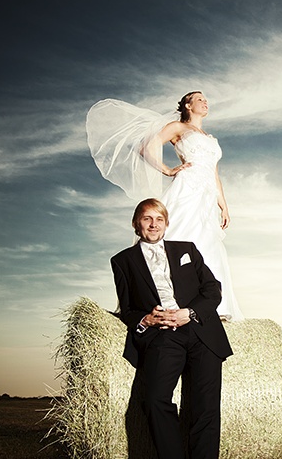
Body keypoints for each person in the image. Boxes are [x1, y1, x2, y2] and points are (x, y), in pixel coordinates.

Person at [111, 198, 232, 459]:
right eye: (146, 219)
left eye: (159, 219)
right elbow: (128, 308)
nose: (153, 224)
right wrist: (146, 320)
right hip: (163, 337)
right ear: (136, 224)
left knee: (206, 413)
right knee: (154, 401)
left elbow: (213, 291)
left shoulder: (186, 249)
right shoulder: (122, 261)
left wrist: (188, 313)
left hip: (200, 332)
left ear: (166, 224)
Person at [87, 92, 244, 321]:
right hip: (187, 188)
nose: (205, 101)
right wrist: (168, 170)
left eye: (205, 99)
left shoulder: (209, 138)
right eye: (199, 99)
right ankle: (163, 298)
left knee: (207, 243)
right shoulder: (178, 127)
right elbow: (145, 147)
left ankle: (211, 307)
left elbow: (214, 173)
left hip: (207, 196)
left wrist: (223, 204)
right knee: (180, 236)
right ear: (188, 105)